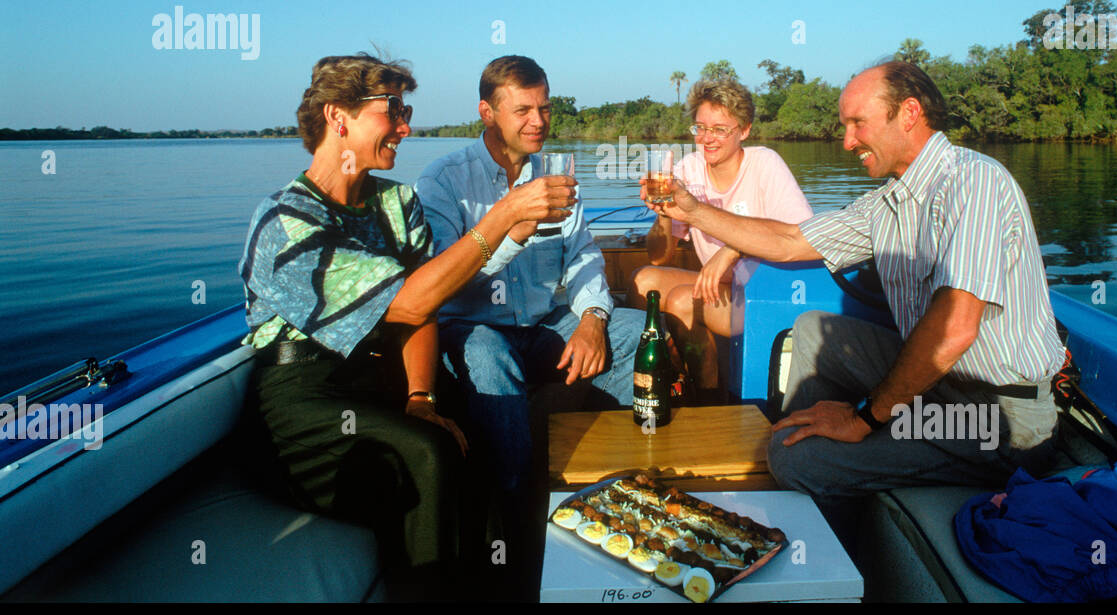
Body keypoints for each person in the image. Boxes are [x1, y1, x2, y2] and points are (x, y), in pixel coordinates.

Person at [644, 61, 1065, 516]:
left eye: (857, 123)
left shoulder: (973, 182)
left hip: (997, 417)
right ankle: (799, 430)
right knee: (811, 328)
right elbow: (789, 241)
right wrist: (690, 209)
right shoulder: (888, 203)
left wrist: (863, 419)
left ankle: (814, 505)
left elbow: (954, 330)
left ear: (908, 113)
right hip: (940, 386)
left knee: (794, 458)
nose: (846, 142)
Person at [238, 53, 572, 596]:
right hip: (304, 399)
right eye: (391, 110)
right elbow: (410, 301)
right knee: (424, 453)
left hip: (383, 380)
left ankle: (512, 583)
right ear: (338, 117)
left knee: (477, 433)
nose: (405, 127)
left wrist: (422, 395)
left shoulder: (397, 204)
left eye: (405, 109)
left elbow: (425, 310)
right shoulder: (285, 222)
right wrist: (504, 217)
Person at [415, 55, 640, 500]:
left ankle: (622, 475)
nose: (538, 121)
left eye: (545, 108)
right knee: (485, 351)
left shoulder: (555, 174)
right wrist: (511, 228)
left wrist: (594, 318)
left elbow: (583, 254)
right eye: (523, 110)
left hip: (540, 326)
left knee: (635, 331)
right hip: (471, 327)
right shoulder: (444, 181)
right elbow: (439, 281)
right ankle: (517, 500)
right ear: (487, 112)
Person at [629, 79, 812, 398]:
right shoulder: (688, 169)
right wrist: (663, 211)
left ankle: (711, 401)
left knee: (684, 301)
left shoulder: (765, 164)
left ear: (744, 130)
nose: (706, 139)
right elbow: (659, 258)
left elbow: (805, 235)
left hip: (766, 289)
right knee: (642, 282)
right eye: (700, 128)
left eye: (719, 129)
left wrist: (732, 249)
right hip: (718, 287)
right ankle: (678, 374)